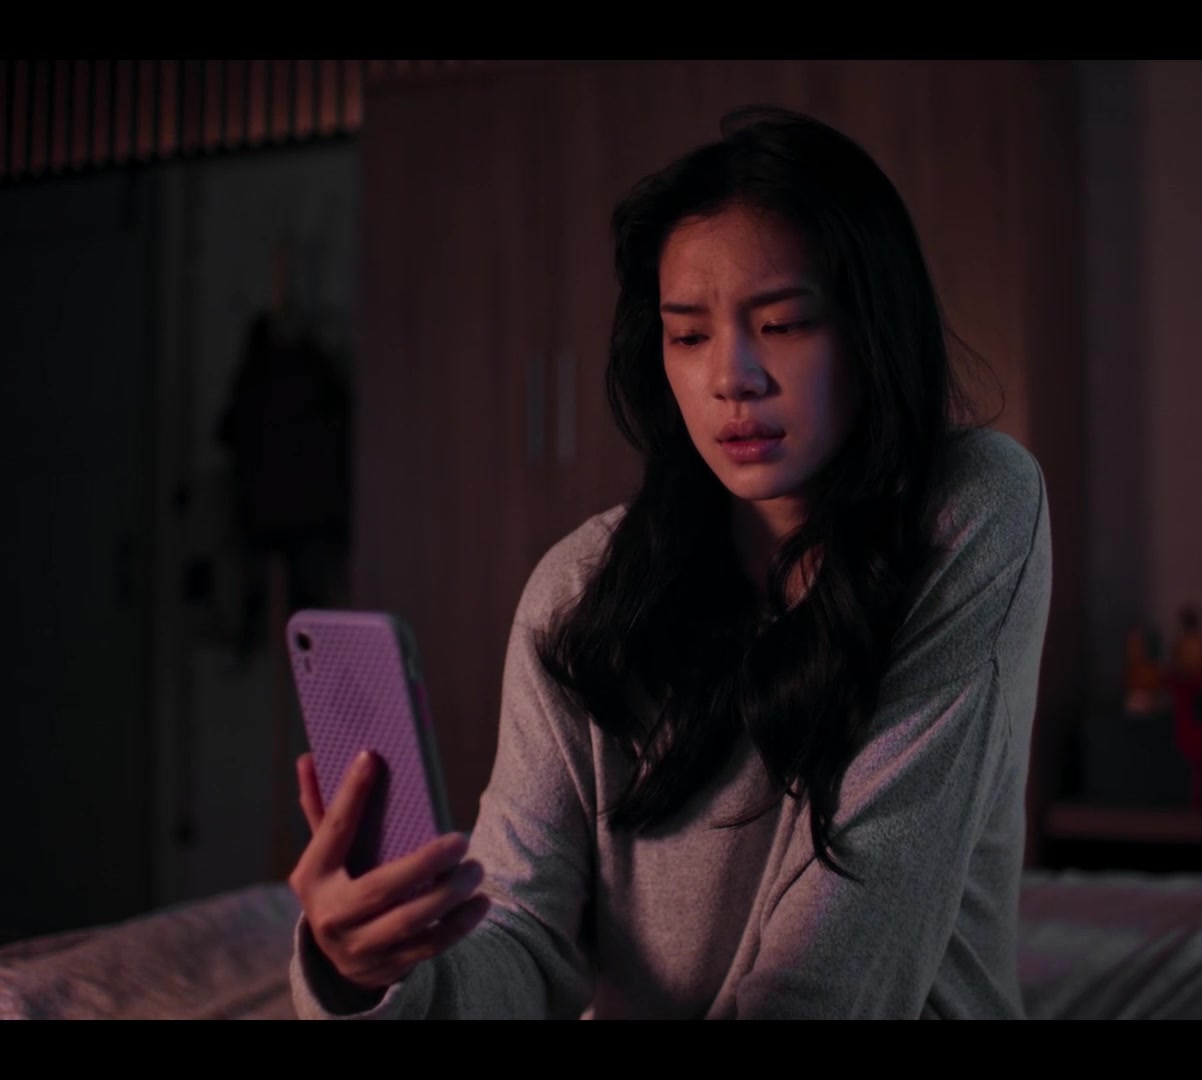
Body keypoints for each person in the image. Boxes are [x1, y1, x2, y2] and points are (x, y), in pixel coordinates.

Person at [285, 105, 1053, 1019]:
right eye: (688, 335)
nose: (732, 377)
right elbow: (526, 930)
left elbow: (845, 964)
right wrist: (375, 974)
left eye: (784, 323)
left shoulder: (970, 507)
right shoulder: (579, 591)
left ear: (872, 329)